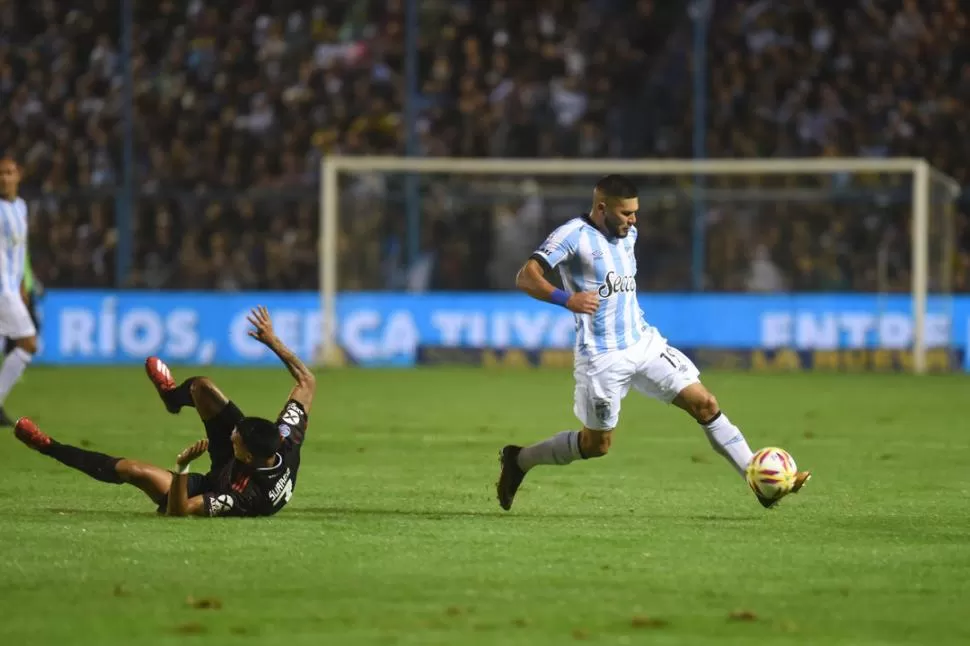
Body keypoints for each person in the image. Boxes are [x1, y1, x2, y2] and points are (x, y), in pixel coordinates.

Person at [495, 175, 811, 510]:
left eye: (635, 213)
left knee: (704, 403)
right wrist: (567, 299)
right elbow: (526, 276)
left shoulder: (628, 234)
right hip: (602, 358)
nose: (633, 220)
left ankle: (759, 481)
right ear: (602, 208)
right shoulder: (572, 235)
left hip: (643, 343)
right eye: (626, 213)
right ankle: (520, 460)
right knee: (596, 445)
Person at [12, 306, 315, 517]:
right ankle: (173, 397)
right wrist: (274, 342)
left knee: (132, 470)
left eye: (235, 436)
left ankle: (47, 446)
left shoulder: (246, 497)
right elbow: (306, 380)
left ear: (247, 455)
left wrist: (183, 466)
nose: (232, 431)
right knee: (203, 388)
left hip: (215, 484)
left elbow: (180, 510)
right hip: (235, 464)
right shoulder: (285, 441)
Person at [0, 157, 38, 426]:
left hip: (12, 287)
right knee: (28, 343)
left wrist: (23, 283)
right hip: (1, 290)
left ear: (18, 175)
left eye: (9, 172)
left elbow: (20, 250)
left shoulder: (21, 207)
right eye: (0, 173)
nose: (4, 178)